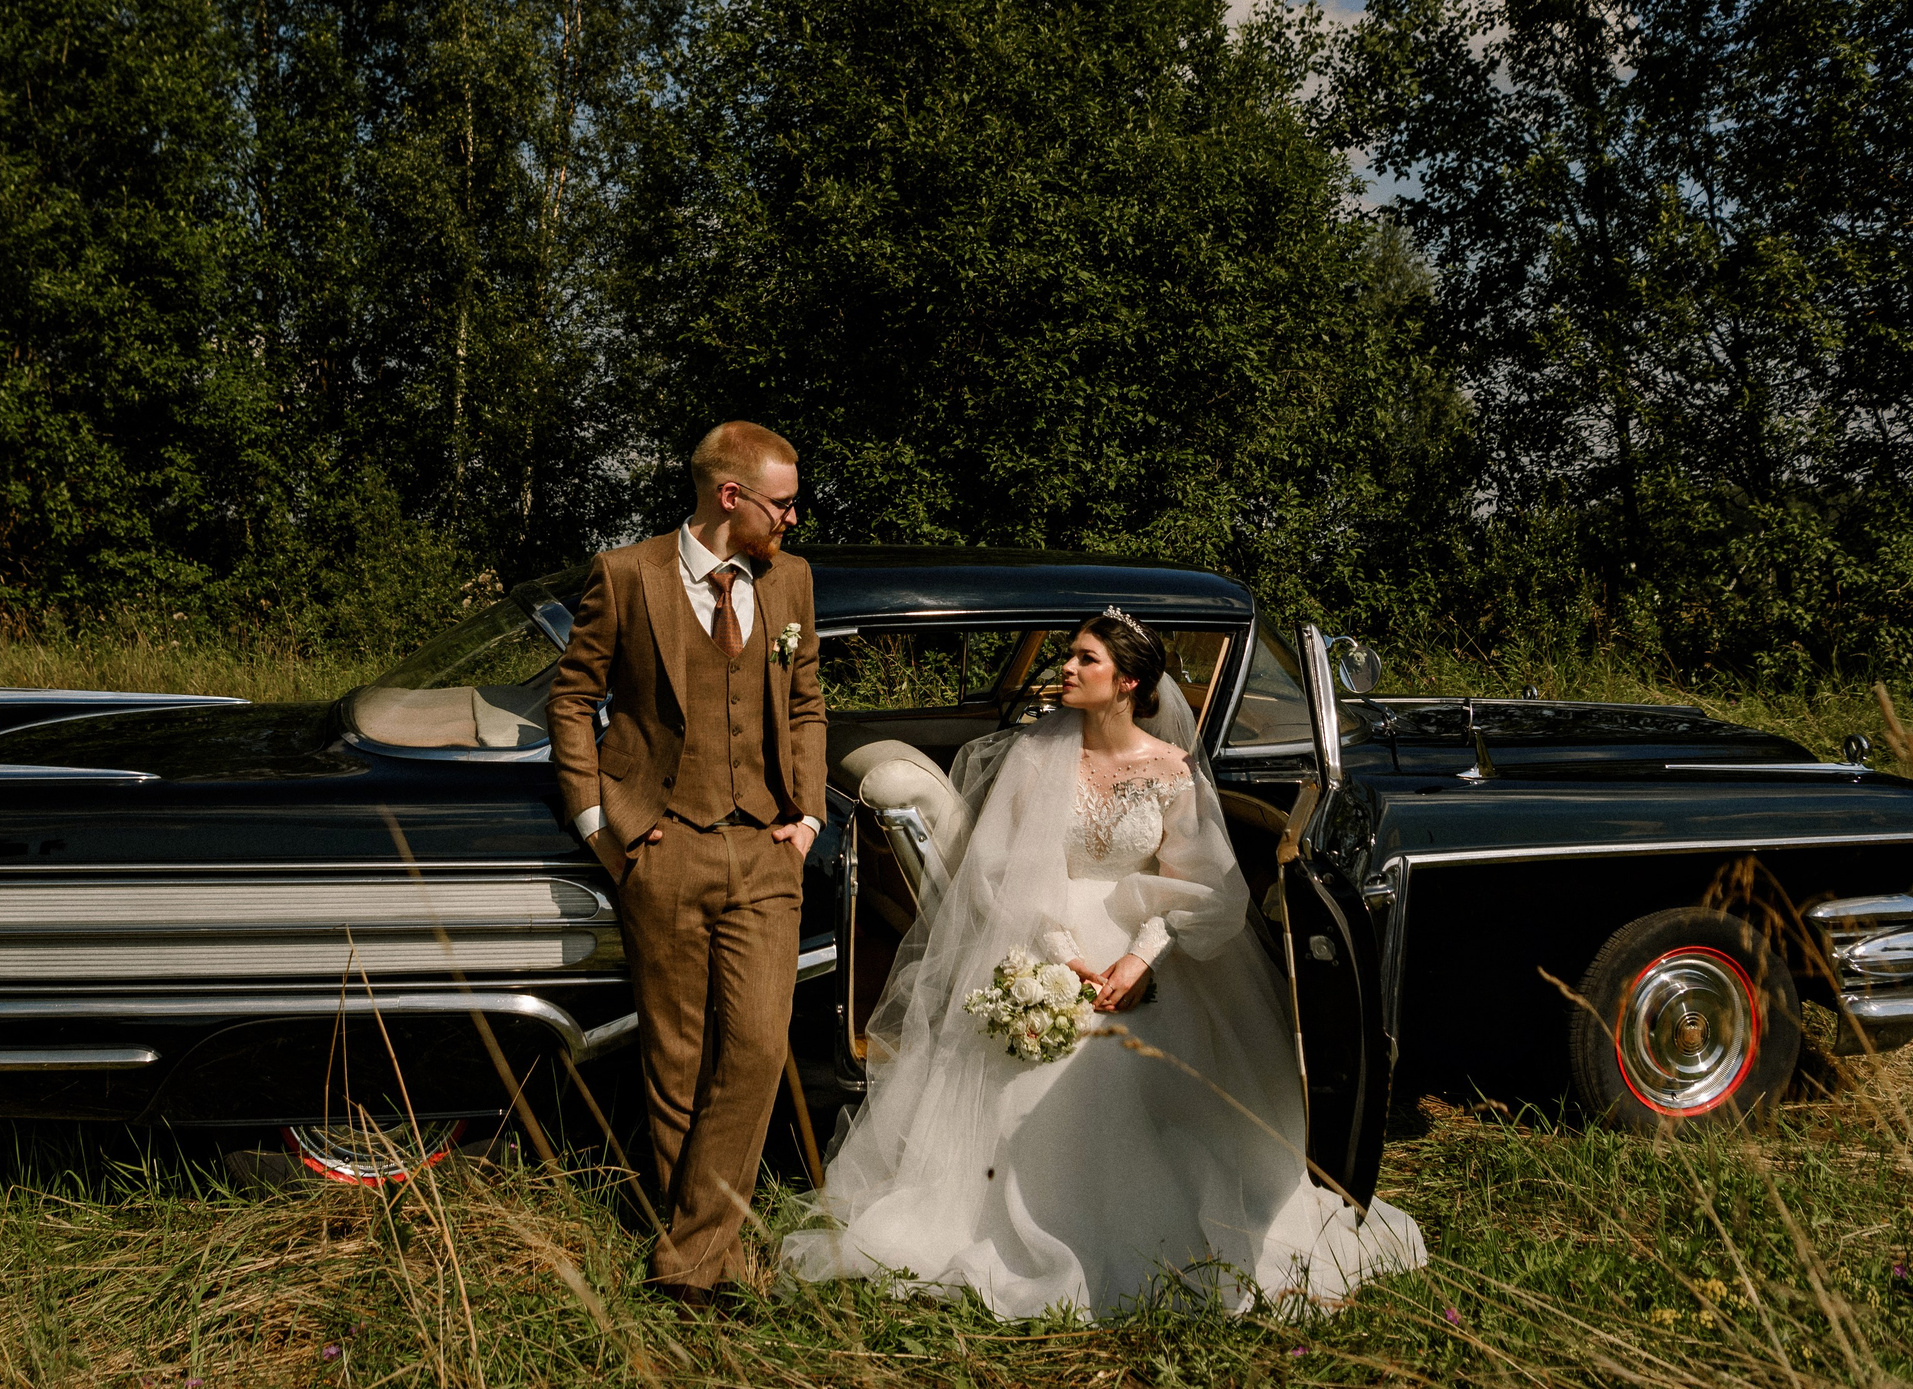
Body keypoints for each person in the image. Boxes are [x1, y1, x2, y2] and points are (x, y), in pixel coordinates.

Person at [779, 611, 1426, 1319]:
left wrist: (1141, 956)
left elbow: (1204, 882)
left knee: (1151, 1064)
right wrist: (1063, 961)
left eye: (1084, 659)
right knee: (1050, 1064)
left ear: (1128, 681)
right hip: (1045, 933)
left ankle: (1167, 1234)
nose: (1066, 668)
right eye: (1068, 655)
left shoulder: (1170, 768)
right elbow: (1001, 871)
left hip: (1144, 942)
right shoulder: (1035, 754)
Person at [546, 420, 828, 1307]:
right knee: (675, 1057)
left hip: (767, 846)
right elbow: (573, 698)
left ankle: (686, 1257)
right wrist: (603, 825)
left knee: (754, 1044)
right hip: (660, 843)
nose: (794, 517)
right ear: (730, 496)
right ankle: (706, 1263)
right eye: (783, 502)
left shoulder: (793, 580)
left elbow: (809, 695)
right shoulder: (627, 575)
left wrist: (810, 813)